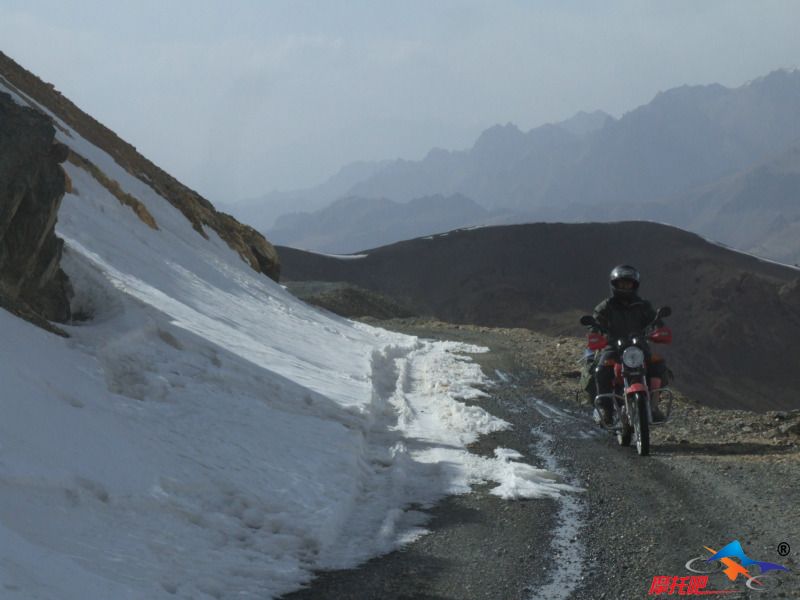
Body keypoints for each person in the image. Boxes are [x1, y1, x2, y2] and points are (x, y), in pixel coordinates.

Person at [592, 264, 668, 425]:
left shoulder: (643, 306)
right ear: (614, 284)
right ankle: (606, 410)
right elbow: (596, 323)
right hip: (613, 347)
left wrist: (659, 328)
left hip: (639, 346)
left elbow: (655, 321)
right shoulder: (606, 306)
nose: (625, 287)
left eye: (628, 283)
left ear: (635, 285)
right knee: (601, 370)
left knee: (659, 365)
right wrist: (595, 333)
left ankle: (654, 405)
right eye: (621, 283)